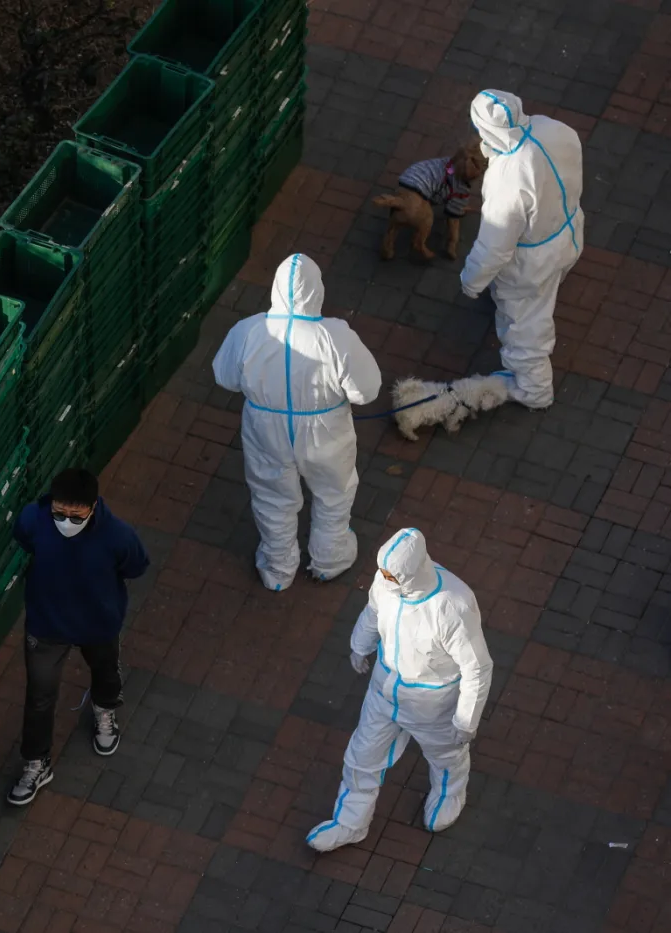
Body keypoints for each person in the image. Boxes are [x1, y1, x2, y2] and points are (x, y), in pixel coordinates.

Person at [306, 528, 493, 852]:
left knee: (445, 755)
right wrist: (360, 645)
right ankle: (350, 823)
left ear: (412, 571)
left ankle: (450, 792)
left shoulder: (451, 605)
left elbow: (477, 667)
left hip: (431, 703)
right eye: (383, 572)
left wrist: (465, 721)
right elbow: (373, 611)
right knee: (362, 756)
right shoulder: (386, 584)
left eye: (391, 574)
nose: (384, 578)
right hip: (384, 691)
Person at [211, 253, 382, 592]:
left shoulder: (249, 330)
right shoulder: (336, 336)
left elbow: (224, 376)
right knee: (335, 491)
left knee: (272, 496)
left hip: (265, 430)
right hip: (326, 432)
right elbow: (367, 391)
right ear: (317, 290)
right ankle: (329, 560)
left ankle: (278, 569)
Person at [5, 467, 149, 806]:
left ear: (93, 506)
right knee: (39, 698)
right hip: (46, 625)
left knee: (105, 671)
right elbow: (25, 537)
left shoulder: (117, 536)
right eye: (60, 512)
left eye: (75, 514)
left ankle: (104, 708)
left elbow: (136, 565)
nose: (66, 520)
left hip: (98, 624)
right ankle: (36, 763)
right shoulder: (34, 519)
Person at [461, 89, 584, 411]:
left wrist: (472, 281)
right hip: (569, 228)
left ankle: (533, 389)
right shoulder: (553, 128)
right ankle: (554, 281)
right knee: (554, 275)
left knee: (525, 327)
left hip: (532, 260)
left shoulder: (509, 179)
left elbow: (494, 246)